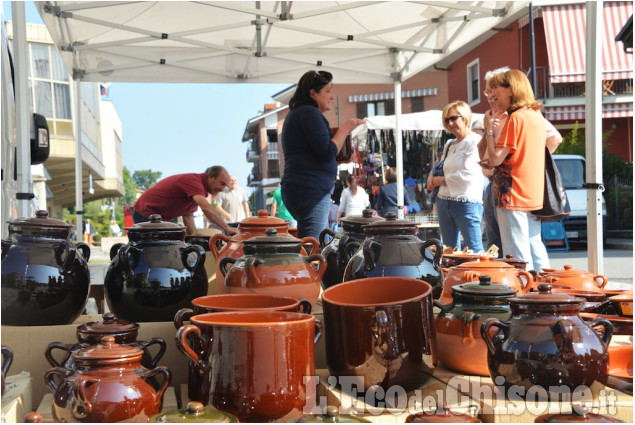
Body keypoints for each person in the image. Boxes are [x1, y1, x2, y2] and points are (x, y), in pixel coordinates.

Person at [479, 67, 562, 259]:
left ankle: (523, 287)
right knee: (533, 245)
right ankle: (540, 286)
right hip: (530, 191)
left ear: (511, 88)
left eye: (496, 88)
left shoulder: (515, 118)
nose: (492, 94)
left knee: (516, 251)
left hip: (511, 192)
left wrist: (489, 130)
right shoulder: (534, 116)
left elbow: (494, 159)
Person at [281, 70, 364, 239]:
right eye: (327, 91)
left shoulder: (298, 114)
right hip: (310, 190)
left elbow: (315, 157)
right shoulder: (310, 114)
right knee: (314, 248)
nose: (332, 96)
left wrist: (338, 161)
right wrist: (345, 129)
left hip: (300, 188)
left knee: (314, 244)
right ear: (313, 93)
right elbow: (326, 153)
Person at [427, 101, 484, 253]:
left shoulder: (475, 141)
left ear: (465, 117)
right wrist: (433, 175)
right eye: (447, 120)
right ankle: (455, 277)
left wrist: (441, 180)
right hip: (444, 201)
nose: (450, 123)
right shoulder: (449, 144)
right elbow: (442, 166)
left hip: (466, 202)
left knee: (475, 250)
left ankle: (480, 277)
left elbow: (467, 175)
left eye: (453, 118)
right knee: (449, 251)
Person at [132, 166, 237, 236]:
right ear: (211, 177)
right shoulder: (194, 182)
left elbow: (188, 216)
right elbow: (206, 208)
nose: (222, 189)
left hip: (159, 219)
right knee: (157, 251)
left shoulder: (197, 190)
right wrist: (227, 228)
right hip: (146, 214)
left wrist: (195, 236)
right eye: (222, 184)